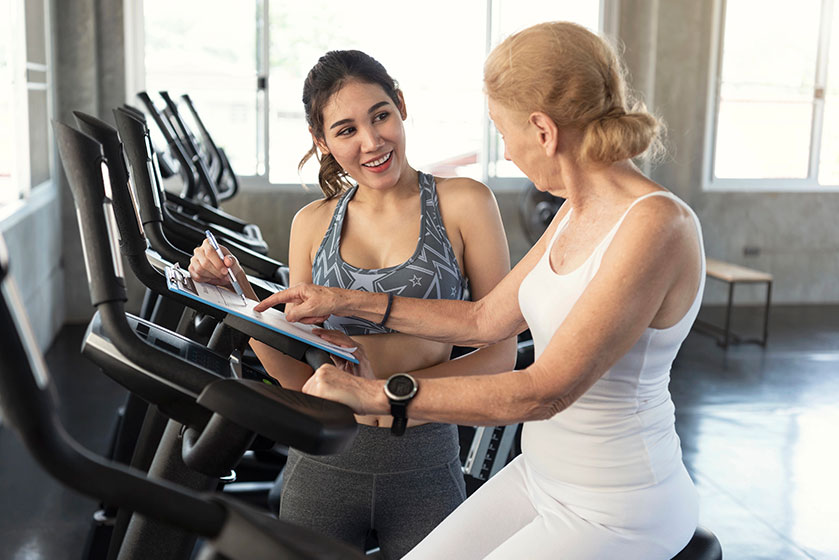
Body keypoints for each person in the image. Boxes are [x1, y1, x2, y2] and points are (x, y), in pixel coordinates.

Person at [258, 22, 706, 560]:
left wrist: (380, 395)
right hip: (540, 477)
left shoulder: (655, 225)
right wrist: (345, 299)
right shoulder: (575, 211)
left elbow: (544, 391)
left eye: (502, 131)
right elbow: (483, 320)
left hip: (620, 506)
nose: (508, 153)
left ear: (542, 130)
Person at [189, 49, 516, 559]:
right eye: (345, 130)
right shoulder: (311, 224)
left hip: (425, 461)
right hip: (325, 460)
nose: (372, 141)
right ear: (322, 142)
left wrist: (382, 393)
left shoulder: (464, 203)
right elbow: (297, 376)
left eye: (380, 115)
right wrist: (238, 297)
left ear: (401, 106)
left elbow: (499, 356)